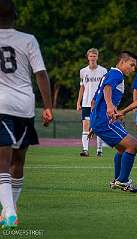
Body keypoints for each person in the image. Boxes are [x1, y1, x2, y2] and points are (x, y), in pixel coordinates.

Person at [0, 0, 53, 228]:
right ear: (16, 17)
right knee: (18, 161)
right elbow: (41, 74)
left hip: (1, 105)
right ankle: (9, 212)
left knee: (2, 160)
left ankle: (9, 212)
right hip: (25, 106)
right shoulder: (28, 39)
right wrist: (48, 106)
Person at [90, 51, 137, 193]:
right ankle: (123, 181)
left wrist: (94, 123)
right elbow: (107, 89)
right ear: (122, 62)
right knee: (133, 145)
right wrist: (110, 106)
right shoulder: (116, 74)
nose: (133, 68)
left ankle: (118, 180)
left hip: (100, 119)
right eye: (131, 65)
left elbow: (94, 100)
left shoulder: (108, 74)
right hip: (104, 120)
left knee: (122, 148)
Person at [76, 48, 107, 157]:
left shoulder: (103, 71)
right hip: (86, 103)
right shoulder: (83, 71)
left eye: (94, 56)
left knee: (97, 126)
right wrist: (78, 102)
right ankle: (85, 150)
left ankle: (99, 150)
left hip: (98, 103)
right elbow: (82, 87)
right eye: (91, 56)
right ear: (88, 57)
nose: (92, 58)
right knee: (86, 125)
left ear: (97, 57)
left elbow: (106, 88)